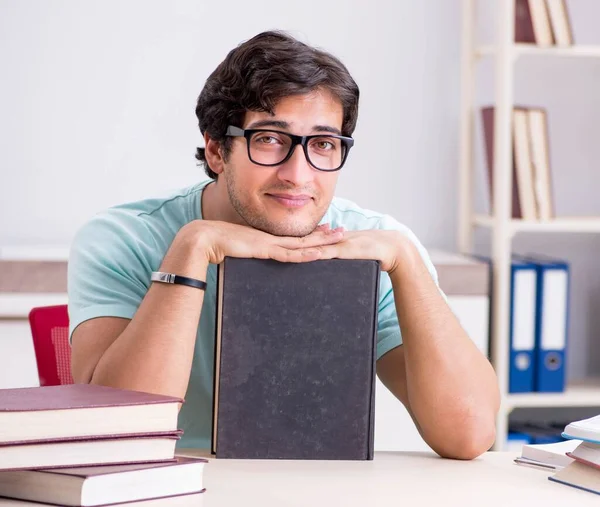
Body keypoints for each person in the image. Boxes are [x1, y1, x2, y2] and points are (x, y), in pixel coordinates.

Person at [68, 30, 499, 459]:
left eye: (323, 144)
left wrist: (407, 261)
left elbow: (469, 433)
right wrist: (193, 247)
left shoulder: (376, 247)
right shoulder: (124, 238)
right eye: (270, 139)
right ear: (217, 151)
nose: (298, 174)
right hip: (171, 487)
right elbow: (119, 433)